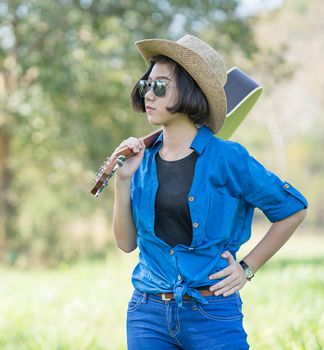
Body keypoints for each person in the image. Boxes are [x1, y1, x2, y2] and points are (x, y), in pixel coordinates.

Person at [112, 34, 308, 349]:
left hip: (212, 314)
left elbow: (293, 209)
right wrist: (122, 181)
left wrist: (247, 268)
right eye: (146, 85)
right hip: (147, 314)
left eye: (160, 86)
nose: (149, 93)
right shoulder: (141, 161)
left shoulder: (229, 159)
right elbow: (125, 244)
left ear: (191, 91)